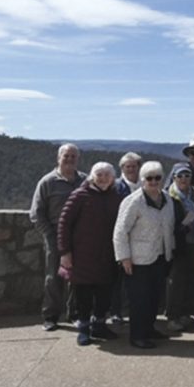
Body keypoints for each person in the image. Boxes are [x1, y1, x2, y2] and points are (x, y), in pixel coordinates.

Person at [57, 162, 122, 345]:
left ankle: (99, 326)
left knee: (104, 294)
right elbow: (64, 224)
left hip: (107, 255)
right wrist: (65, 252)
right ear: (92, 177)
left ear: (112, 178)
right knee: (83, 295)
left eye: (107, 175)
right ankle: (84, 329)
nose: (103, 179)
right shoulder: (79, 195)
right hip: (82, 256)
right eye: (99, 175)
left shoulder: (115, 198)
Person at [113, 161, 175, 349]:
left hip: (159, 256)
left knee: (154, 297)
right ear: (142, 180)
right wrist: (124, 258)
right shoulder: (133, 202)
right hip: (137, 260)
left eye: (157, 177)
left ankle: (149, 329)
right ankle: (137, 335)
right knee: (139, 299)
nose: (154, 181)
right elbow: (120, 231)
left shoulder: (167, 199)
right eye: (149, 178)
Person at [30, 143, 87, 331]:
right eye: (66, 156)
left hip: (79, 236)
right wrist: (49, 235)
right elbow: (36, 214)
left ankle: (75, 314)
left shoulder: (85, 181)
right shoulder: (47, 182)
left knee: (77, 277)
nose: (70, 159)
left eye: (73, 156)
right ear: (58, 158)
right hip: (54, 235)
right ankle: (50, 316)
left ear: (78, 159)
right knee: (53, 277)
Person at [165, 164, 194, 332]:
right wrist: (182, 226)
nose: (184, 179)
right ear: (174, 178)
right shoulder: (169, 197)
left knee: (191, 278)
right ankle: (173, 316)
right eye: (180, 176)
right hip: (178, 243)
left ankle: (185, 314)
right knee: (176, 280)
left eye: (187, 176)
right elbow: (166, 222)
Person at [110, 152, 142, 324]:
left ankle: (134, 310)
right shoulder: (115, 187)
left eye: (134, 166)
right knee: (118, 278)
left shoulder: (146, 185)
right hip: (121, 238)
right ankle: (116, 311)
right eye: (127, 166)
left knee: (137, 278)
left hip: (141, 240)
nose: (130, 169)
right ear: (121, 168)